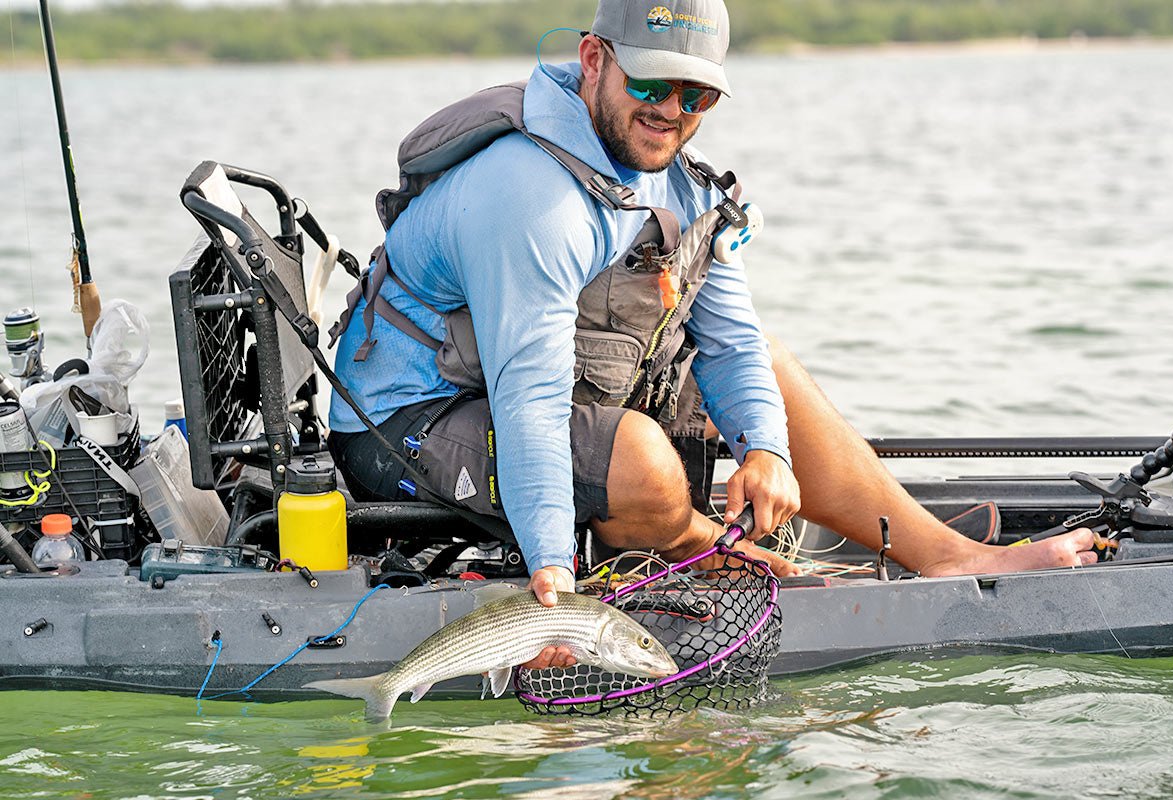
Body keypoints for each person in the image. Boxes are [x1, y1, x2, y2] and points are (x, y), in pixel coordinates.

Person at [329, 0, 1097, 667]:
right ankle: (704, 545)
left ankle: (945, 555)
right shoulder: (532, 198)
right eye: (652, 84)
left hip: (542, 391)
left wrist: (764, 449)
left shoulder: (687, 184)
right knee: (642, 466)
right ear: (593, 60)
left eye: (696, 93)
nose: (671, 108)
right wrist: (553, 579)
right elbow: (528, 400)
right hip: (403, 425)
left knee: (771, 367)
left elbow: (731, 343)